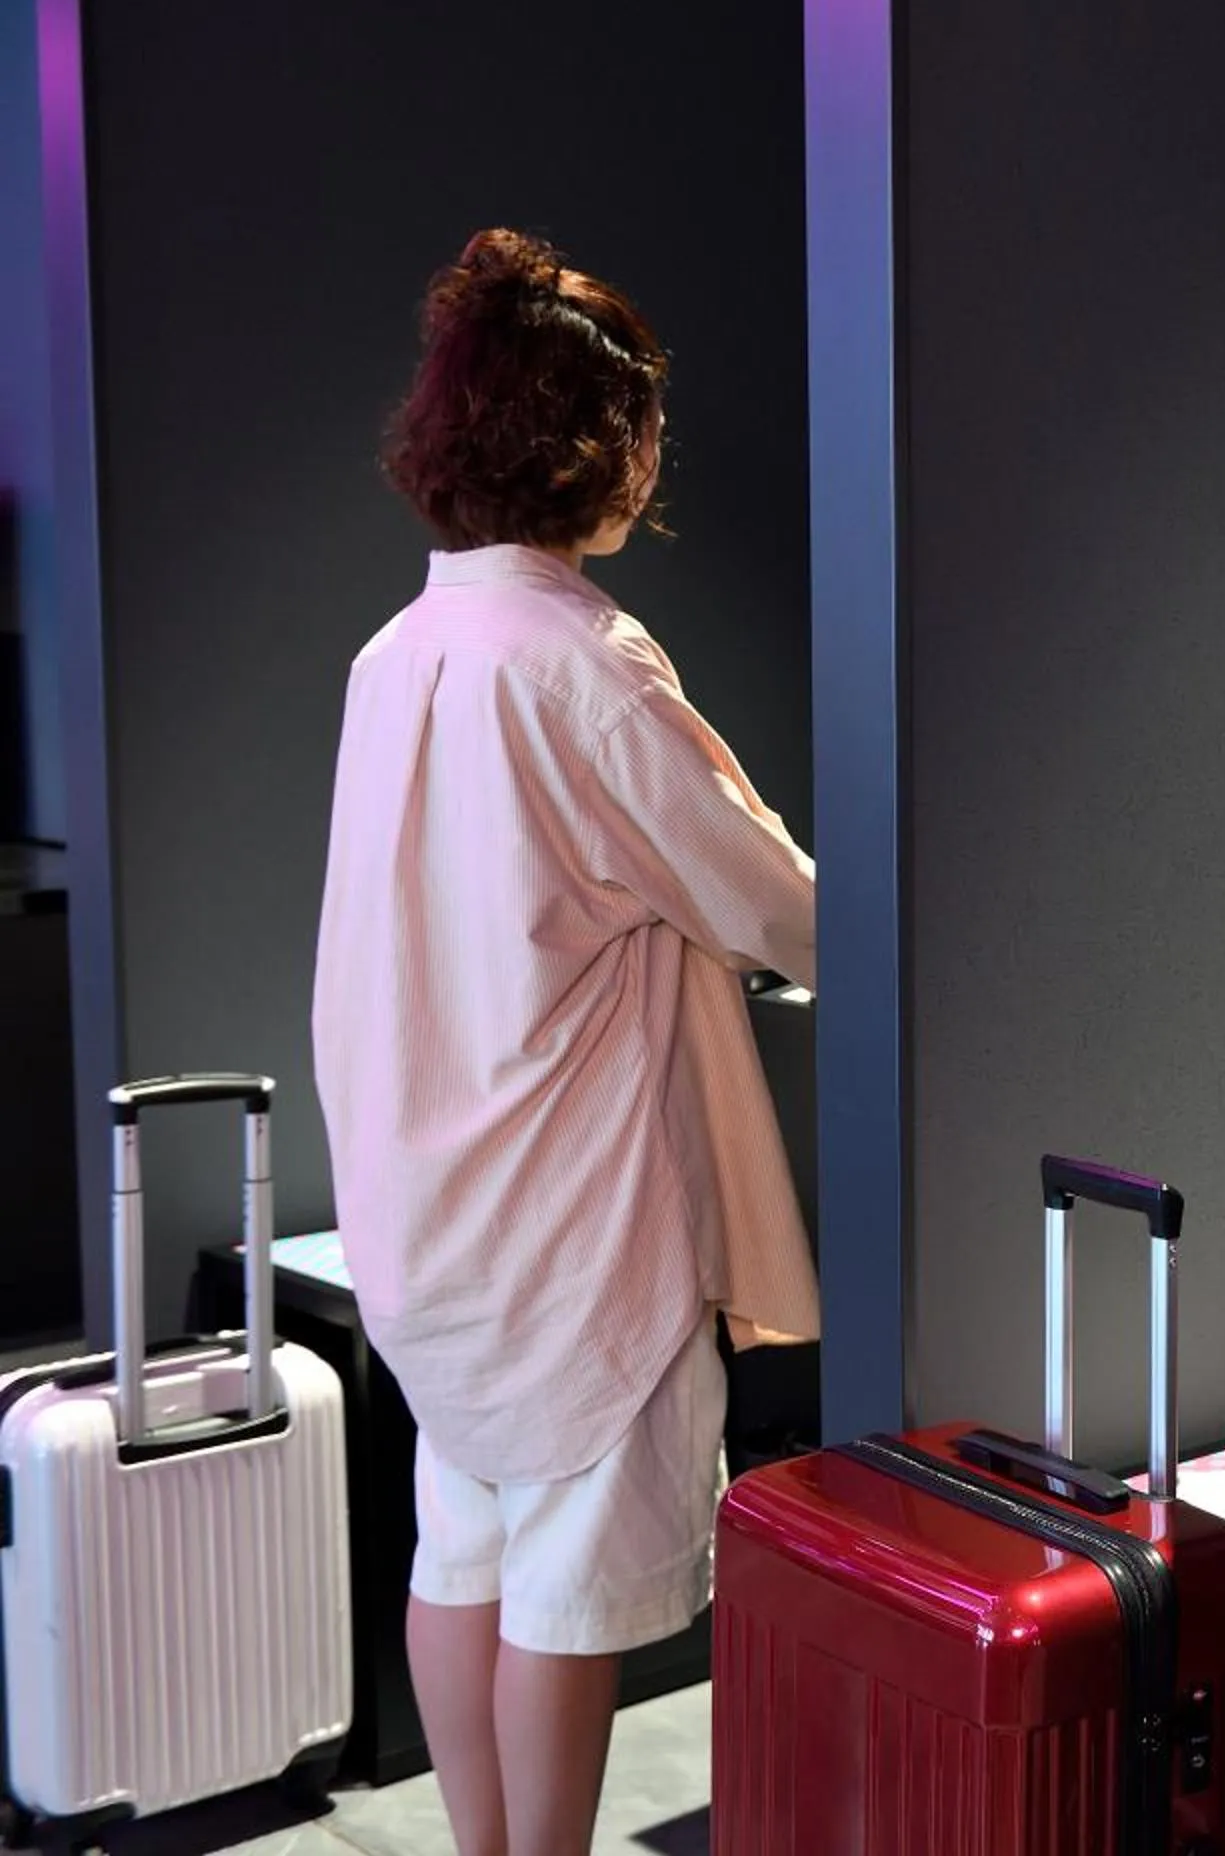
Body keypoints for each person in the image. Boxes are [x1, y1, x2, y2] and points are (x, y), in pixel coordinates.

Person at [312, 230, 818, 1856]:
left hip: (426, 1197)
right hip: (572, 1209)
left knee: (458, 1548)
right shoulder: (585, 666)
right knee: (570, 1590)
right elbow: (772, 900)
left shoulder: (395, 658)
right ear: (588, 443)